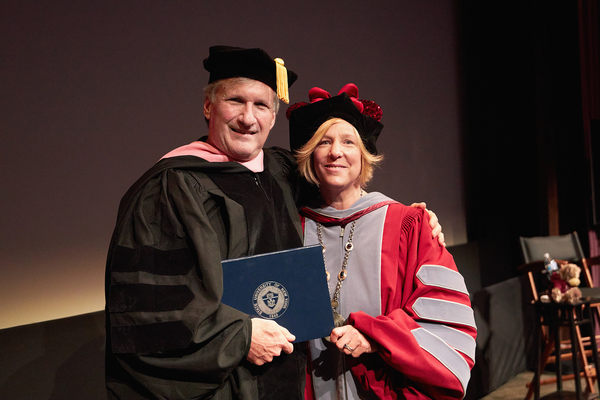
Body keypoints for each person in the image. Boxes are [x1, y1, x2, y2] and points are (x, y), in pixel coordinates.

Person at [105, 45, 445, 400]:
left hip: (287, 379)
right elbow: (151, 313)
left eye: (262, 105)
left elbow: (341, 193)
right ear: (209, 106)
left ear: (272, 115)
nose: (247, 118)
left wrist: (415, 218)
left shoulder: (281, 173)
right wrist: (240, 337)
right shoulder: (170, 189)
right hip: (223, 386)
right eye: (235, 101)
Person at [287, 84, 477, 399]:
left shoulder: (408, 225)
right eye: (324, 142)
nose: (336, 152)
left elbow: (445, 320)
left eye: (348, 142)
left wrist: (377, 336)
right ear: (310, 155)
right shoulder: (290, 228)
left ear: (364, 156)